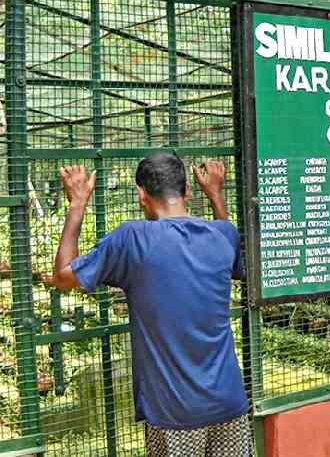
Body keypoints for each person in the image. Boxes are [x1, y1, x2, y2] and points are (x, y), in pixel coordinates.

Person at [50, 152, 253, 457]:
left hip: (175, 414)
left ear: (141, 195)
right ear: (187, 191)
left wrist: (77, 204)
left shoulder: (133, 238)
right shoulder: (222, 234)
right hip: (230, 403)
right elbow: (229, 244)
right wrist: (216, 195)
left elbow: (64, 278)